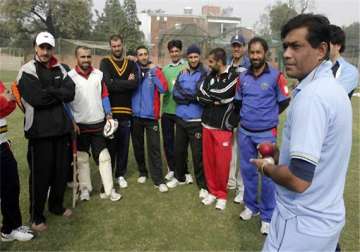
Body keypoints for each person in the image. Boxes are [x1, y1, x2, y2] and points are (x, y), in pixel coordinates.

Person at [251, 14, 352, 251]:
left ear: (321, 50)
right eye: (285, 46)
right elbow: (318, 158)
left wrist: (266, 167)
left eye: (296, 46)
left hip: (300, 224)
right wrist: (280, 156)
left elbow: (298, 180)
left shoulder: (313, 97)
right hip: (326, 220)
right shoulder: (333, 89)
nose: (286, 53)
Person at [16, 31, 75, 232]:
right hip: (39, 133)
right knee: (40, 176)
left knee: (60, 173)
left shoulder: (60, 68)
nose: (45, 51)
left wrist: (49, 90)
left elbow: (71, 92)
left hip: (61, 131)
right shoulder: (27, 70)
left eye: (49, 48)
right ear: (35, 47)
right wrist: (58, 92)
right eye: (42, 47)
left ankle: (56, 206)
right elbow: (37, 100)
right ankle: (37, 215)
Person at [235, 37, 290, 235]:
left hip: (266, 134)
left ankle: (267, 215)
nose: (255, 56)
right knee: (248, 172)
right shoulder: (242, 78)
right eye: (252, 52)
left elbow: (284, 100)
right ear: (248, 53)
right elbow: (239, 102)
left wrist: (268, 116)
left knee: (268, 175)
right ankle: (251, 206)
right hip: (245, 133)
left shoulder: (276, 76)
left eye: (259, 52)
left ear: (265, 53)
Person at [68, 46, 121, 202]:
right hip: (80, 126)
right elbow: (67, 103)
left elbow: (104, 96)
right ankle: (85, 190)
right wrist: (72, 121)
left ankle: (109, 190)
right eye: (82, 57)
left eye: (88, 57)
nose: (86, 60)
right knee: (82, 159)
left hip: (98, 123)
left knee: (104, 157)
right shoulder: (69, 77)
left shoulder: (99, 75)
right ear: (76, 58)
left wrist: (109, 115)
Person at [197, 48, 238, 210]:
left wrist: (214, 98)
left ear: (220, 62)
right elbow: (200, 94)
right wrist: (215, 100)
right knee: (209, 162)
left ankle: (222, 194)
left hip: (222, 127)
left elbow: (224, 93)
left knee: (222, 164)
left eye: (211, 62)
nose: (208, 65)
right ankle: (212, 192)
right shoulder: (209, 75)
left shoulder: (234, 76)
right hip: (206, 124)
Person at [165, 45, 208, 199]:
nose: (193, 60)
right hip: (180, 118)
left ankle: (203, 186)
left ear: (199, 57)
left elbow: (199, 94)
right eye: (190, 57)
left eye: (196, 57)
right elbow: (176, 94)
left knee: (197, 155)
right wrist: (190, 97)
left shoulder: (205, 74)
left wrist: (190, 96)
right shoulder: (182, 73)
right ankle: (179, 177)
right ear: (187, 58)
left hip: (196, 120)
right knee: (179, 151)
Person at [100, 34, 138, 189]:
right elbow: (107, 84)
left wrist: (116, 82)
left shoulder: (130, 63)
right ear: (110, 47)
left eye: (118, 45)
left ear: (123, 45)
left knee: (123, 146)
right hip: (110, 113)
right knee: (110, 147)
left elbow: (135, 84)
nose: (116, 48)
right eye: (113, 46)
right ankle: (109, 176)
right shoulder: (105, 62)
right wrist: (125, 83)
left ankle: (120, 175)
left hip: (126, 112)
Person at [131, 45, 169, 192]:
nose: (143, 57)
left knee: (154, 148)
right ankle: (142, 172)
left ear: (148, 55)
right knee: (138, 146)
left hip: (151, 116)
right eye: (140, 54)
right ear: (137, 56)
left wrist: (154, 72)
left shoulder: (155, 70)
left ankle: (158, 180)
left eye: (145, 54)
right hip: (136, 116)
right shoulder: (133, 69)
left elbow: (163, 89)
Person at [0, 81, 34, 241]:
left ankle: (10, 228)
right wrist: (3, 99)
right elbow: (4, 101)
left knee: (11, 186)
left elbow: (9, 105)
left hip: (2, 144)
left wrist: (6, 99)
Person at [161, 40, 192, 183]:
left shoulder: (187, 66)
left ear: (180, 51)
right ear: (169, 53)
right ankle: (171, 169)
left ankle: (184, 170)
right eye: (172, 51)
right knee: (168, 142)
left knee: (182, 144)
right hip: (167, 110)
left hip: (181, 111)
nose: (174, 54)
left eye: (176, 51)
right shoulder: (165, 69)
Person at [227, 34, 251, 204]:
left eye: (239, 46)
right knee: (230, 150)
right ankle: (231, 182)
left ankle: (242, 189)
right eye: (234, 45)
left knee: (242, 151)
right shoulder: (227, 64)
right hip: (228, 114)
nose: (236, 49)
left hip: (243, 114)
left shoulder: (249, 65)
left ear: (244, 47)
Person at [329, 24, 359, 99]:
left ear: (338, 46)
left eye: (326, 44)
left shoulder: (350, 71)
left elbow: (334, 96)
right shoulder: (316, 67)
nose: (322, 48)